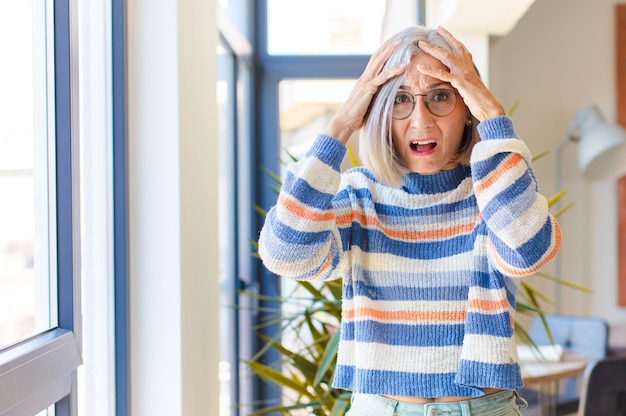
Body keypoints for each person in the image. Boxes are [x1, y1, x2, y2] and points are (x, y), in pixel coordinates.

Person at [258, 24, 561, 416]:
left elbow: (530, 252)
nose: (421, 120)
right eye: (400, 99)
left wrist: (492, 116)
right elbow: (285, 254)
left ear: (467, 109)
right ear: (379, 112)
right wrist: (339, 127)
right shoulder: (359, 194)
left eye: (440, 96)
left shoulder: (493, 189)